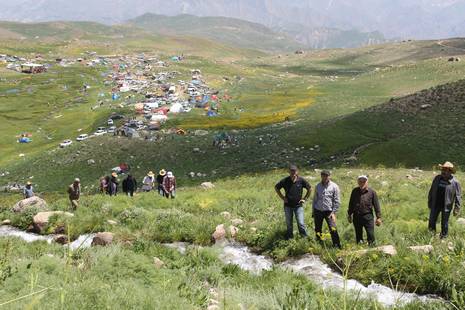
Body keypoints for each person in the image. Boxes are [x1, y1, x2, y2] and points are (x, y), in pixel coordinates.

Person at [275, 165, 311, 239]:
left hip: (298, 206)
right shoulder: (285, 180)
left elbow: (309, 188)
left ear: (297, 171)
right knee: (289, 224)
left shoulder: (301, 180)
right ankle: (289, 238)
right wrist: (282, 197)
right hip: (288, 206)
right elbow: (276, 187)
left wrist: (305, 198)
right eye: (291, 171)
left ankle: (304, 238)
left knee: (301, 223)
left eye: (294, 171)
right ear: (289, 172)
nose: (293, 172)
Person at [428, 161, 462, 238]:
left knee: (444, 222)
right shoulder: (437, 178)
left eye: (445, 170)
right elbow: (432, 190)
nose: (443, 171)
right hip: (435, 203)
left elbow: (458, 196)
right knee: (432, 220)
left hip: (446, 205)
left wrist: (457, 208)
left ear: (450, 172)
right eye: (443, 169)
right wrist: (429, 200)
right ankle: (431, 235)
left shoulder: (455, 182)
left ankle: (443, 236)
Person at [348, 175, 382, 245]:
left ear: (367, 182)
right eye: (360, 181)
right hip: (356, 216)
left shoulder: (372, 192)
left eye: (364, 181)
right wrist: (349, 214)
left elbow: (376, 205)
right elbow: (351, 203)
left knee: (370, 234)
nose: (362, 183)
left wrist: (378, 217)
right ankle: (359, 249)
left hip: (368, 216)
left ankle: (371, 249)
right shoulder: (354, 191)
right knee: (358, 234)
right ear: (358, 182)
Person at [313, 170, 342, 248]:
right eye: (323, 175)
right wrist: (313, 211)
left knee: (333, 228)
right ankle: (319, 244)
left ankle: (336, 245)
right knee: (318, 228)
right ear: (321, 176)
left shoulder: (334, 186)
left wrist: (334, 212)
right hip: (318, 210)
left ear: (329, 176)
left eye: (326, 175)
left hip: (329, 212)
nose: (325, 177)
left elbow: (337, 201)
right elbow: (315, 199)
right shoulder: (318, 186)